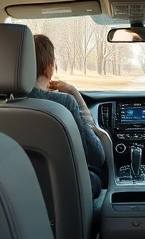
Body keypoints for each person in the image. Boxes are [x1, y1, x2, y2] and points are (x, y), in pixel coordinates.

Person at [28, 34, 105, 197]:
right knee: (95, 180)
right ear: (49, 67)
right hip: (59, 195)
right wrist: (74, 94)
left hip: (18, 189)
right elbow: (96, 157)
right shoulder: (64, 103)